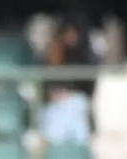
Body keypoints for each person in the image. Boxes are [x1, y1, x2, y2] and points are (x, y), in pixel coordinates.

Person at [41, 10, 99, 146]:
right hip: (54, 106)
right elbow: (45, 87)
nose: (70, 37)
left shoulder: (86, 57)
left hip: (77, 103)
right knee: (55, 116)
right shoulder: (54, 53)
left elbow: (88, 89)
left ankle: (78, 152)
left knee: (76, 107)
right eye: (67, 33)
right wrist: (55, 94)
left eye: (73, 33)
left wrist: (70, 95)